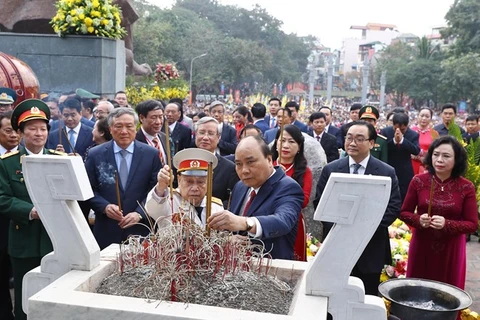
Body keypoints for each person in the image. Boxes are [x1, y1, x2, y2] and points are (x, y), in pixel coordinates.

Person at [314, 121, 402, 295]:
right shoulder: (331, 170)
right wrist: (343, 227)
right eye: (349, 138)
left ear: (371, 143)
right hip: (337, 244)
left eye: (359, 139)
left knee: (366, 296)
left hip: (371, 245)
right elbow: (320, 203)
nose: (352, 143)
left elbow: (393, 207)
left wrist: (363, 228)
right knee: (334, 295)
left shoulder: (386, 172)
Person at [0, 99, 66, 320]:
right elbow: (2, 198)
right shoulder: (7, 163)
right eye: (32, 129)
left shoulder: (60, 160)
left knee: (55, 294)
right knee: (26, 296)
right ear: (20, 132)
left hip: (55, 240)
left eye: (43, 128)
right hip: (23, 240)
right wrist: (31, 211)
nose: (39, 134)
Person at [207, 135, 304, 260]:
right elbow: (233, 225)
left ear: (269, 160)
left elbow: (282, 221)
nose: (244, 170)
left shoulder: (288, 187)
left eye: (250, 162)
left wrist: (244, 223)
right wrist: (229, 239)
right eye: (238, 164)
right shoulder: (240, 186)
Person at [400, 136, 478, 290]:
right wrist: (418, 220)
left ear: (457, 159)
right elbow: (404, 212)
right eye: (436, 155)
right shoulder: (418, 181)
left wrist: (447, 224)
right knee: (416, 290)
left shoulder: (466, 187)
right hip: (422, 245)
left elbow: (472, 224)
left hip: (451, 249)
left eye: (446, 156)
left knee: (447, 293)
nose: (439, 160)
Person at [85, 108, 161, 249]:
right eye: (118, 126)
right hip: (107, 229)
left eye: (129, 126)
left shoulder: (151, 154)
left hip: (140, 230)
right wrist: (105, 207)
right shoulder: (96, 154)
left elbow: (156, 191)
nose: (124, 131)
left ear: (136, 128)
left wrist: (139, 213)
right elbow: (87, 189)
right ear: (110, 129)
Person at [145, 149, 223, 228]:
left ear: (209, 181)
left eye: (200, 182)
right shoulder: (169, 200)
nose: (195, 188)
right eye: (189, 182)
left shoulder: (216, 206)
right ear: (179, 180)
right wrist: (161, 187)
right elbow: (152, 209)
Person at [271, 125, 312, 261]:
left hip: (293, 222)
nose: (286, 145)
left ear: (299, 147)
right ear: (276, 143)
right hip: (266, 217)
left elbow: (304, 201)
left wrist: (284, 179)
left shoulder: (305, 172)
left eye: (291, 141)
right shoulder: (266, 166)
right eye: (282, 141)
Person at [194, 117, 239, 207]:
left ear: (218, 138)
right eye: (202, 133)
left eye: (211, 134)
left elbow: (231, 200)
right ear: (196, 135)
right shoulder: (183, 163)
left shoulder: (229, 168)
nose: (205, 137)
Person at [381, 112, 420, 201]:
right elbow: (384, 148)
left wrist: (402, 140)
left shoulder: (413, 134)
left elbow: (416, 150)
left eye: (402, 129)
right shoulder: (386, 132)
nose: (398, 131)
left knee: (403, 197)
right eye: (396, 128)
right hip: (388, 167)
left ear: (407, 126)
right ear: (393, 125)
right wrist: (394, 141)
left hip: (405, 171)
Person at [135, 100, 168, 167]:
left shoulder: (164, 137)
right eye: (154, 117)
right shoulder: (135, 141)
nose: (158, 122)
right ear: (141, 118)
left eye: (161, 117)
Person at [411, 107, 439, 175]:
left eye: (427, 116)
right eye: (422, 115)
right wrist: (419, 158)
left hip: (427, 165)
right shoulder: (411, 131)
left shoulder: (434, 133)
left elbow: (437, 150)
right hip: (411, 164)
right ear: (418, 116)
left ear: (431, 118)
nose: (424, 118)